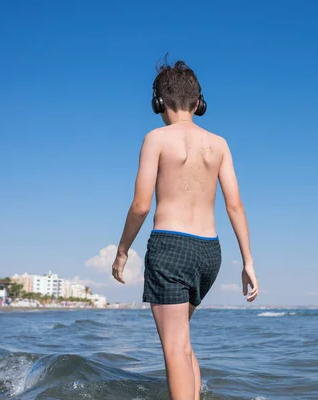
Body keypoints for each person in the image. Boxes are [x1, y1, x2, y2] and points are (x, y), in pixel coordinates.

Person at [111, 58, 259, 400]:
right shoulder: (219, 144)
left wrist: (122, 252)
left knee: (174, 347)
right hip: (210, 253)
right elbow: (234, 205)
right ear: (198, 103)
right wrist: (248, 262)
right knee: (183, 342)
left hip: (171, 248)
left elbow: (141, 205)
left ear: (159, 103)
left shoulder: (156, 138)